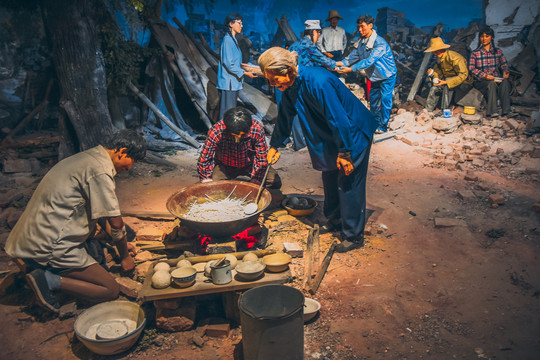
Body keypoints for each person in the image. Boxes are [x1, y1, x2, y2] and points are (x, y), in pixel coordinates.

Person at [5, 129, 146, 313]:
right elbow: (116, 223)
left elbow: (101, 212)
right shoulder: (100, 171)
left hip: (31, 235)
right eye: (131, 162)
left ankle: (49, 268)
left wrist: (117, 243)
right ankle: (48, 279)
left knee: (98, 243)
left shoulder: (90, 157)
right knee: (109, 290)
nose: (129, 168)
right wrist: (125, 257)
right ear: (122, 151)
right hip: (51, 243)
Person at [258, 47, 377, 253]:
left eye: (274, 78)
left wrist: (345, 153)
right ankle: (334, 220)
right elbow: (285, 116)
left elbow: (338, 118)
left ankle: (353, 235)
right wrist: (275, 145)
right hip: (331, 134)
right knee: (330, 175)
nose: (272, 84)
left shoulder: (318, 82)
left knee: (348, 182)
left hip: (352, 132)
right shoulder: (291, 86)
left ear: (288, 69)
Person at [287, 20, 345, 150]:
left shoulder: (294, 45)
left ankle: (300, 143)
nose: (318, 37)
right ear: (313, 32)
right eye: (318, 33)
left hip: (291, 83)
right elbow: (326, 62)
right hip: (303, 83)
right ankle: (310, 141)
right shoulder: (309, 46)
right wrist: (341, 64)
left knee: (296, 111)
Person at [338, 14, 397, 133]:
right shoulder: (361, 43)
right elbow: (351, 58)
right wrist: (339, 64)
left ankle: (383, 126)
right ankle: (375, 123)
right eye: (358, 27)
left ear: (370, 26)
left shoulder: (379, 43)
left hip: (387, 76)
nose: (360, 30)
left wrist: (350, 69)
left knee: (385, 100)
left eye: (362, 26)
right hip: (375, 77)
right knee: (374, 101)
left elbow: (369, 61)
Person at [197, 106, 281, 189]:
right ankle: (233, 186)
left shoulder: (256, 128)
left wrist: (257, 179)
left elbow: (261, 157)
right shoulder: (217, 131)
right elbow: (205, 158)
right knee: (216, 186)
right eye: (236, 134)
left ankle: (243, 186)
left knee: (274, 181)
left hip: (250, 165)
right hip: (225, 166)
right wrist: (206, 179)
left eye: (243, 134)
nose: (239, 137)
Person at [469, 26, 516, 118]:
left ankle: (507, 111)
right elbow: (471, 68)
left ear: (492, 37)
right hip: (481, 81)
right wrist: (484, 75)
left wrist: (505, 71)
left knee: (505, 82)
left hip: (496, 79)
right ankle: (492, 111)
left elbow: (504, 64)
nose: (484, 39)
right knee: (491, 83)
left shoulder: (498, 52)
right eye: (482, 36)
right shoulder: (475, 53)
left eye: (487, 36)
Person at [217, 13, 256, 120]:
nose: (241, 25)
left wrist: (244, 66)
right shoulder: (228, 41)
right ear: (231, 24)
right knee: (227, 113)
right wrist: (245, 73)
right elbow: (228, 64)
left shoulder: (233, 40)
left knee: (230, 112)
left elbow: (234, 61)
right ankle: (222, 135)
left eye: (241, 23)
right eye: (239, 23)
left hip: (233, 83)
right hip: (228, 83)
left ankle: (227, 134)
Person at [424, 37, 473, 114]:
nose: (435, 53)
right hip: (447, 81)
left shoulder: (455, 58)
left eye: (437, 50)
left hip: (463, 83)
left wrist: (447, 82)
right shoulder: (439, 60)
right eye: (434, 51)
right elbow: (437, 75)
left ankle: (444, 110)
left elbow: (464, 75)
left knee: (446, 86)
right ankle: (427, 110)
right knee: (434, 88)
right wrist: (432, 74)